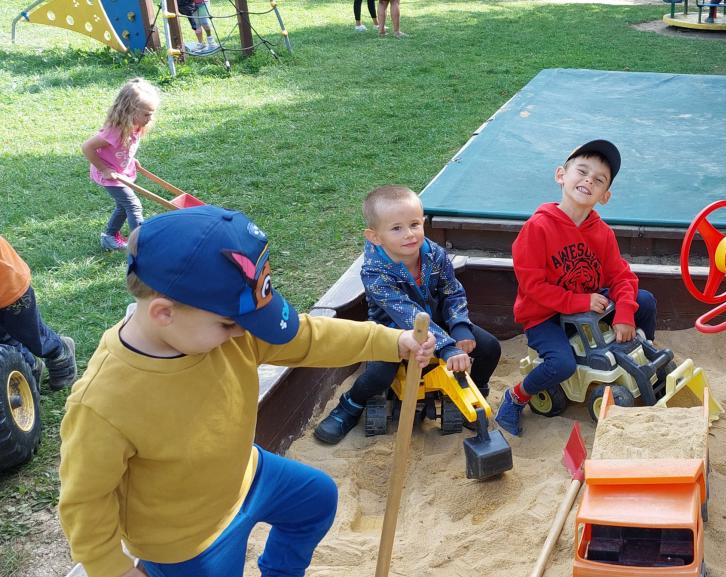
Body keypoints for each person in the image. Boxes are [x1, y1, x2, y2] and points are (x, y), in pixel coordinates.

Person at [58, 205, 436, 577]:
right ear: (163, 313)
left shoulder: (225, 331)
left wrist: (391, 341)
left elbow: (309, 339)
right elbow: (85, 500)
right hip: (189, 538)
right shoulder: (103, 403)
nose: (243, 332)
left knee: (316, 499)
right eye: (229, 324)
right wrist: (113, 569)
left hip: (246, 475)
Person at [313, 185, 502, 444]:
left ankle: (475, 390)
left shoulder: (435, 254)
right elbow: (405, 312)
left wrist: (459, 326)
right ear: (375, 236)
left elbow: (452, 291)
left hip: (438, 322)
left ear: (423, 222)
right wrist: (447, 347)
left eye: (414, 224)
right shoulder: (375, 272)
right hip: (393, 329)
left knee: (489, 347)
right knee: (381, 374)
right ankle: (350, 405)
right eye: (396, 228)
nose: (409, 234)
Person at [495, 139, 657, 437]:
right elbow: (533, 287)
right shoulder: (537, 228)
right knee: (562, 364)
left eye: (599, 179)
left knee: (644, 301)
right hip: (544, 315)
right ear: (561, 175)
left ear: (605, 196)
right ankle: (517, 397)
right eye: (582, 171)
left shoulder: (602, 232)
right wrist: (579, 302)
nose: (588, 180)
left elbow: (622, 277)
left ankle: (642, 355)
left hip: (588, 306)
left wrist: (624, 314)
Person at [82, 78, 159, 253]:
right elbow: (87, 147)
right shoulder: (114, 131)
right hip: (109, 175)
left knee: (123, 206)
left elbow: (122, 148)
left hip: (121, 171)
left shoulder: (135, 125)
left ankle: (109, 237)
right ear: (130, 111)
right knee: (133, 206)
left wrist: (130, 160)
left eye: (152, 114)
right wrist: (104, 169)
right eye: (147, 114)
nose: (150, 118)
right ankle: (140, 245)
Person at [0, 235, 77, 391]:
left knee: (32, 336)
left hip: (9, 288)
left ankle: (61, 353)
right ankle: (30, 366)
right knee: (5, 341)